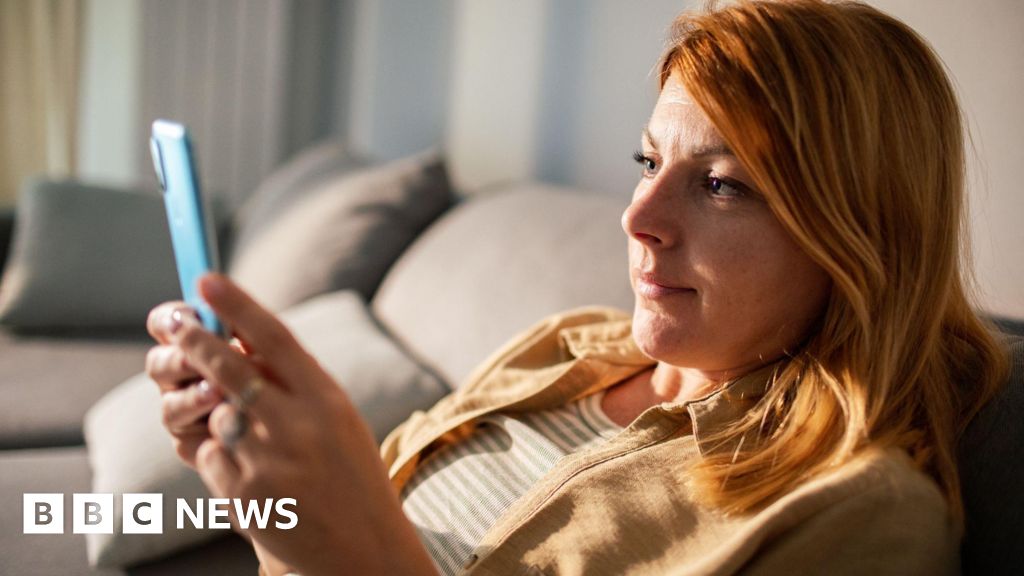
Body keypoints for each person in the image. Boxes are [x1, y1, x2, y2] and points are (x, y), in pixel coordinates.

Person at [145, 1, 1009, 574]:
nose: (638, 217)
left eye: (721, 184)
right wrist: (267, 498)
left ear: (860, 232)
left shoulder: (859, 518)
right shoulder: (567, 346)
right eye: (649, 162)